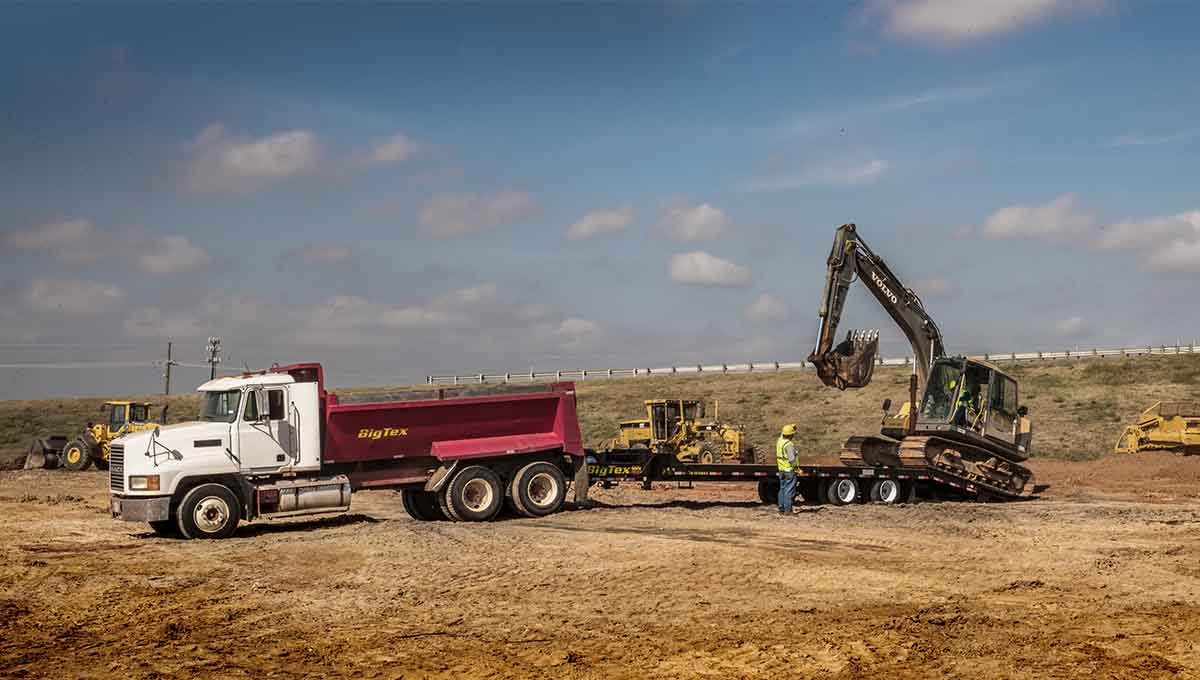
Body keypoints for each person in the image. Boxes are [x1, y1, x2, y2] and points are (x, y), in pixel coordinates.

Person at [776, 423, 799, 514]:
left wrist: (791, 426)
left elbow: (782, 434)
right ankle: (788, 510)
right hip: (789, 470)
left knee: (782, 489)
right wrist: (796, 468)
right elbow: (792, 459)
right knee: (789, 490)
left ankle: (781, 508)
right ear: (791, 435)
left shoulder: (779, 442)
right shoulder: (788, 445)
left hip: (781, 470)